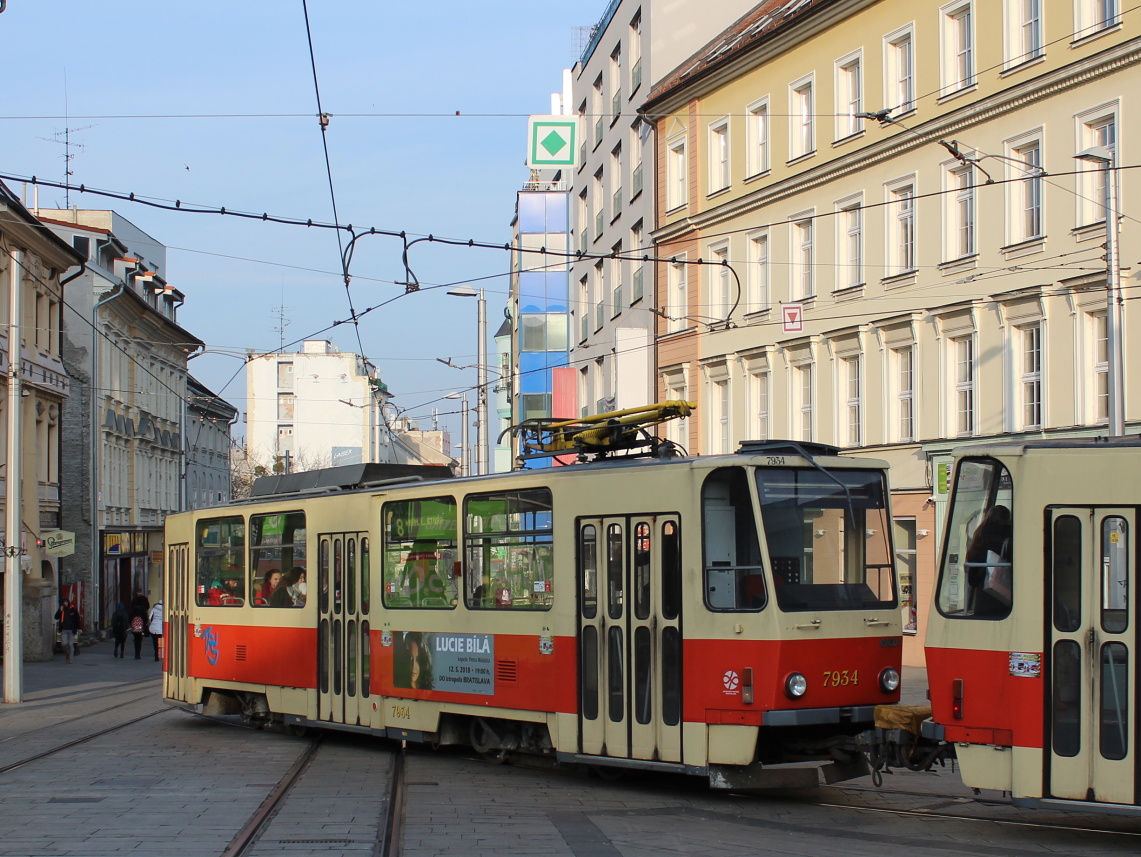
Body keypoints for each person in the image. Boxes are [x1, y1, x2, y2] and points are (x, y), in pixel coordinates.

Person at [966, 504, 1012, 615]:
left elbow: (972, 577)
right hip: (1005, 598)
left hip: (983, 597)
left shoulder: (979, 535)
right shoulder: (1011, 535)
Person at [56, 598, 81, 664]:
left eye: (66, 602)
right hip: (64, 629)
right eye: (64, 602)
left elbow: (77, 619)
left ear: (68, 602)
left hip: (72, 630)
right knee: (63, 644)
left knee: (70, 644)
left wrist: (79, 628)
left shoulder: (73, 609)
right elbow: (56, 617)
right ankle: (67, 653)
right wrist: (59, 611)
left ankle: (71, 659)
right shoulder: (62, 609)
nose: (65, 603)